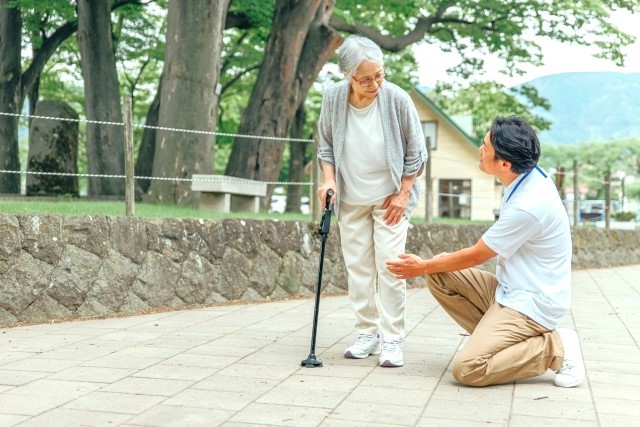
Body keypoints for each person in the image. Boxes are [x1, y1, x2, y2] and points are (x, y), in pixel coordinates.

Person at [387, 115, 585, 387]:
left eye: (485, 147)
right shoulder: (527, 176)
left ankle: (555, 347)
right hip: (509, 291)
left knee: (468, 369)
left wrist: (420, 267)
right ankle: (501, 343)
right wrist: (430, 266)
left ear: (504, 163)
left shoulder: (528, 205)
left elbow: (477, 255)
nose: (480, 149)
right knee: (440, 274)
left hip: (532, 304)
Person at [316, 35, 427, 367]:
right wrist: (329, 180)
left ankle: (393, 337)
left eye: (379, 74)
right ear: (348, 76)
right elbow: (325, 145)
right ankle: (368, 331)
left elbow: (416, 152)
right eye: (365, 79)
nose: (375, 83)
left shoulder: (396, 98)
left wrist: (404, 192)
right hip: (351, 197)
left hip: (390, 198)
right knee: (359, 269)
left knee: (391, 266)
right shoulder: (334, 98)